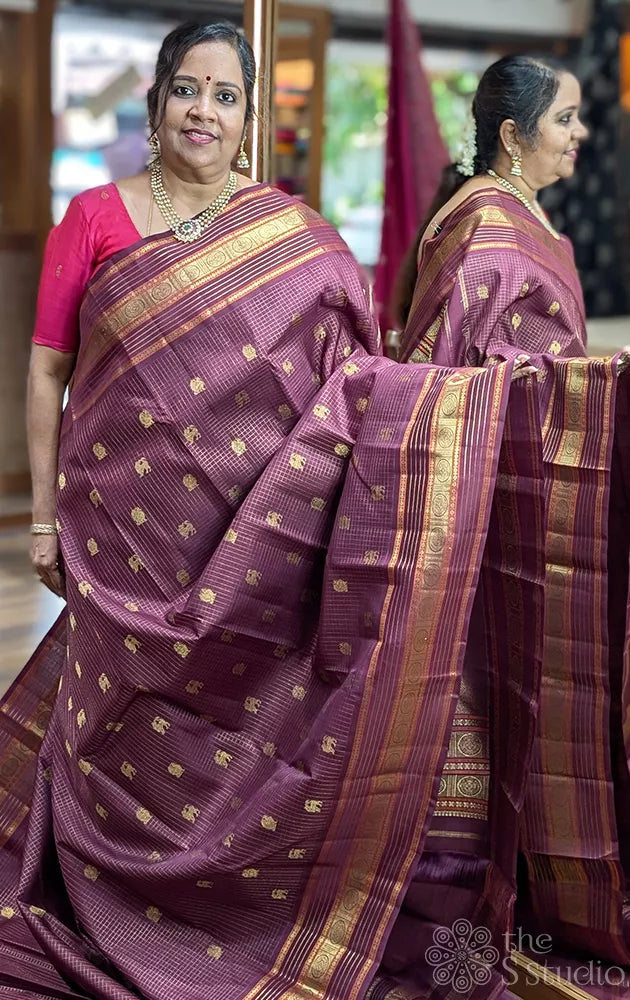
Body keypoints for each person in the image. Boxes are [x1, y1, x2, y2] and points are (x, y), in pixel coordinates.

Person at [0, 20, 521, 1000]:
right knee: (115, 712)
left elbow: (355, 377)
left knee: (237, 717)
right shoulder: (95, 216)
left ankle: (228, 899)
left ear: (249, 116)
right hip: (125, 531)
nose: (204, 111)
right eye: (187, 90)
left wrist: (465, 404)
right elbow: (47, 369)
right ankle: (97, 885)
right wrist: (39, 514)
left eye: (225, 95)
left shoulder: (294, 235)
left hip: (250, 537)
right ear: (157, 102)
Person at [388, 53, 630, 993]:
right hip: (491, 505)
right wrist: (602, 383)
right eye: (565, 120)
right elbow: (482, 378)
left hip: (530, 494)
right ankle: (462, 916)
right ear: (513, 136)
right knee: (485, 705)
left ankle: (527, 892)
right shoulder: (490, 231)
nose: (579, 135)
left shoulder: (519, 217)